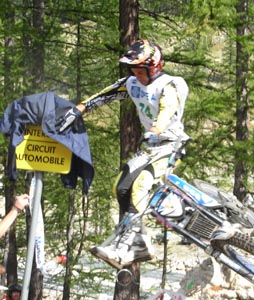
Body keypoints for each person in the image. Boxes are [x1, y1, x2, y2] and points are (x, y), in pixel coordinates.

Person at [58, 39, 189, 269]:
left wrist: (156, 129)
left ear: (154, 66)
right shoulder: (132, 83)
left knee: (140, 186)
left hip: (170, 144)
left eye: (140, 70)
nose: (137, 74)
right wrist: (80, 109)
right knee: (120, 187)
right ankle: (138, 243)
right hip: (150, 147)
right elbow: (107, 93)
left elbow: (169, 107)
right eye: (133, 70)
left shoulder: (171, 84)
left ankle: (133, 242)